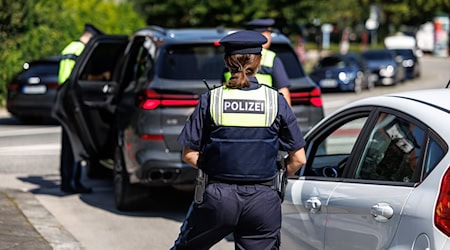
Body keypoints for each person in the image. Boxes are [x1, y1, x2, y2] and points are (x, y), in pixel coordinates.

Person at [171, 30, 307, 250]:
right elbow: (299, 158)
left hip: (217, 198)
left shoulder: (211, 100)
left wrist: (215, 167)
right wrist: (276, 175)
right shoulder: (276, 101)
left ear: (227, 62)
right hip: (263, 200)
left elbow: (189, 154)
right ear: (259, 61)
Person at [57, 23, 103, 194]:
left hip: (66, 98)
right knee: (73, 144)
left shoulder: (71, 47)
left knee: (71, 144)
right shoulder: (79, 49)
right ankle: (70, 182)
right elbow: (78, 77)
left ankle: (70, 181)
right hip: (71, 99)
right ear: (90, 37)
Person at [223, 18, 292, 105]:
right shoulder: (271, 57)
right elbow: (283, 91)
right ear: (264, 35)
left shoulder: (232, 55)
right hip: (265, 107)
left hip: (231, 105)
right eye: (269, 33)